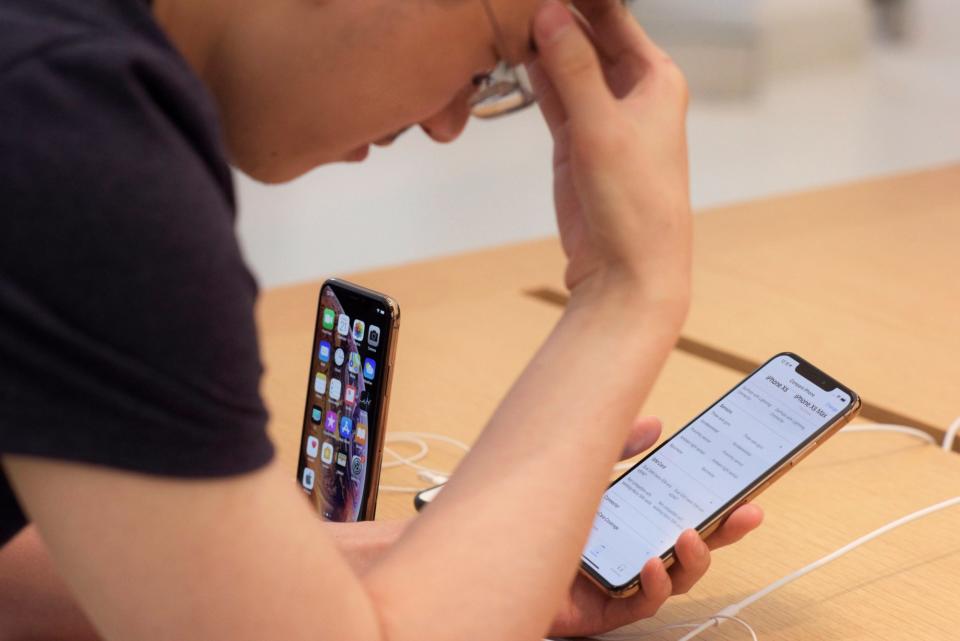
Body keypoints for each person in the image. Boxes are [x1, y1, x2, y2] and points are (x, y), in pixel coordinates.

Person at [0, 0, 764, 639]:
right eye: (490, 63)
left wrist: (450, 561)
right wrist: (627, 291)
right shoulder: (76, 138)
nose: (448, 125)